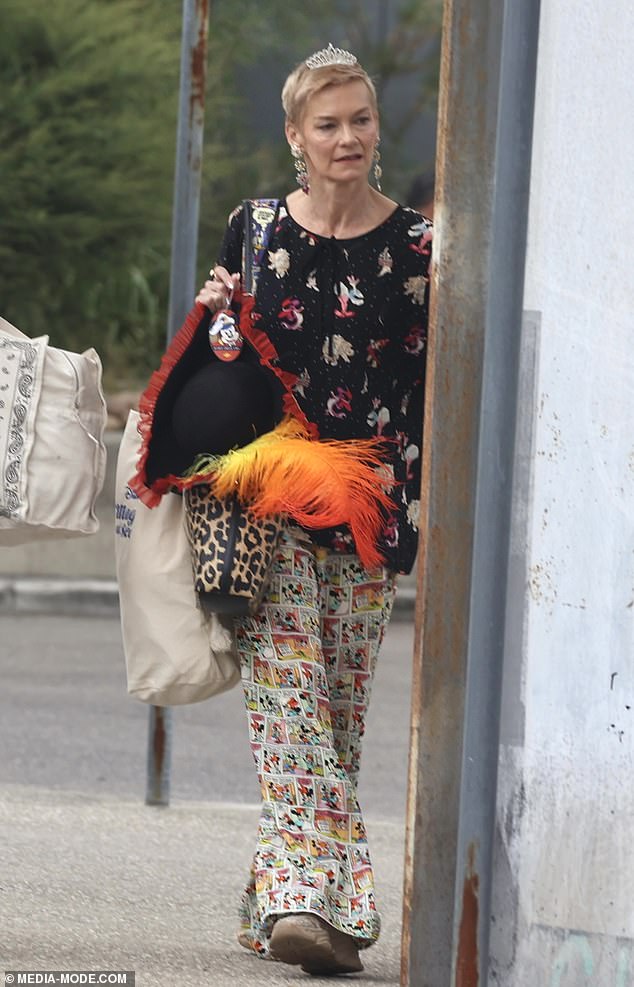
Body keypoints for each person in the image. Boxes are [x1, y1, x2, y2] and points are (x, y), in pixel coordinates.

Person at [194, 43, 432, 977]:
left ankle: (281, 904)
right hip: (267, 507)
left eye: (360, 120)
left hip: (370, 510)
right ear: (295, 135)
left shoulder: (418, 247)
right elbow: (221, 350)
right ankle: (310, 903)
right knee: (288, 704)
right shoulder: (252, 228)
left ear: (376, 127)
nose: (347, 138)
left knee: (331, 716)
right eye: (326, 124)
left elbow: (426, 390)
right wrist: (217, 312)